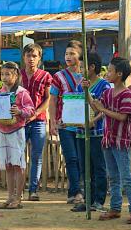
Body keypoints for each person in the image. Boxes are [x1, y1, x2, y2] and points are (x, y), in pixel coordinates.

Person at [89, 57, 131, 224]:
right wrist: (87, 93)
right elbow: (96, 107)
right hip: (108, 139)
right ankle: (115, 208)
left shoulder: (127, 95)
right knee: (113, 177)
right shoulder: (107, 93)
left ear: (119, 74)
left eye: (110, 71)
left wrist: (103, 109)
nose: (107, 74)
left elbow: (122, 116)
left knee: (126, 177)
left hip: (121, 140)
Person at [73, 52, 111, 213]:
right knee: (85, 167)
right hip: (81, 131)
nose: (80, 70)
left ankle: (99, 200)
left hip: (97, 132)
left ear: (92, 67)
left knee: (98, 166)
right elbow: (74, 104)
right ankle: (88, 199)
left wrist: (93, 121)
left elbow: (105, 109)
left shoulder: (104, 86)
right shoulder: (79, 84)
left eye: (82, 67)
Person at [50, 40, 85, 204]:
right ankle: (75, 192)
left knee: (82, 158)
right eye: (66, 54)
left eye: (72, 53)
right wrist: (52, 121)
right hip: (65, 124)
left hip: (84, 124)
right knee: (71, 158)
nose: (68, 57)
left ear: (80, 56)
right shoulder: (58, 76)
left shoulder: (87, 76)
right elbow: (53, 99)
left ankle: (83, 190)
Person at [0, 62, 35, 210]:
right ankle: (10, 197)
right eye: (3, 74)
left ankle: (18, 198)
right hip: (2, 130)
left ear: (16, 75)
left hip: (16, 131)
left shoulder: (22, 92)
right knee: (8, 165)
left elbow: (31, 110)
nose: (4, 77)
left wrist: (19, 112)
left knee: (18, 165)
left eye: (8, 74)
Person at [20, 43, 52, 201]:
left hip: (38, 120)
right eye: (28, 55)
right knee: (19, 155)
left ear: (39, 58)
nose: (31, 59)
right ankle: (18, 189)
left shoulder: (46, 76)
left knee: (36, 156)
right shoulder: (18, 76)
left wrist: (36, 113)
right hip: (20, 120)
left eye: (34, 56)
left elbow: (48, 98)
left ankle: (33, 189)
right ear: (23, 57)